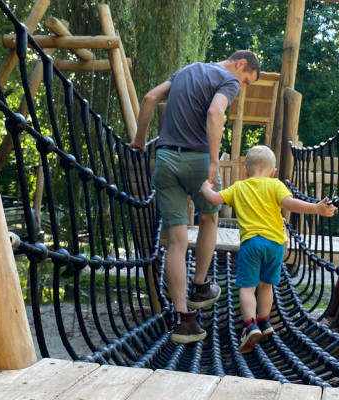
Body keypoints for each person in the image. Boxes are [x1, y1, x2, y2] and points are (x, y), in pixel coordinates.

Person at [131, 51, 261, 344]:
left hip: (165, 159)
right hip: (198, 160)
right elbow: (216, 112)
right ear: (241, 65)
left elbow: (150, 98)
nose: (243, 87)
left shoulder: (186, 70)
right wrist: (214, 161)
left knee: (175, 241)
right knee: (209, 218)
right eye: (246, 80)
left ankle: (183, 320)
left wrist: (139, 141)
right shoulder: (227, 80)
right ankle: (200, 286)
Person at [200, 145, 337, 353]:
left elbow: (214, 199)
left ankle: (249, 326)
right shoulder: (276, 185)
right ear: (273, 172)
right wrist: (317, 208)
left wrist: (205, 188)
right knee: (267, 285)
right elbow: (291, 204)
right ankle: (264, 322)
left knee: (248, 287)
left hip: (251, 243)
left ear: (246, 171)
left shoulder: (239, 186)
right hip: (275, 245)